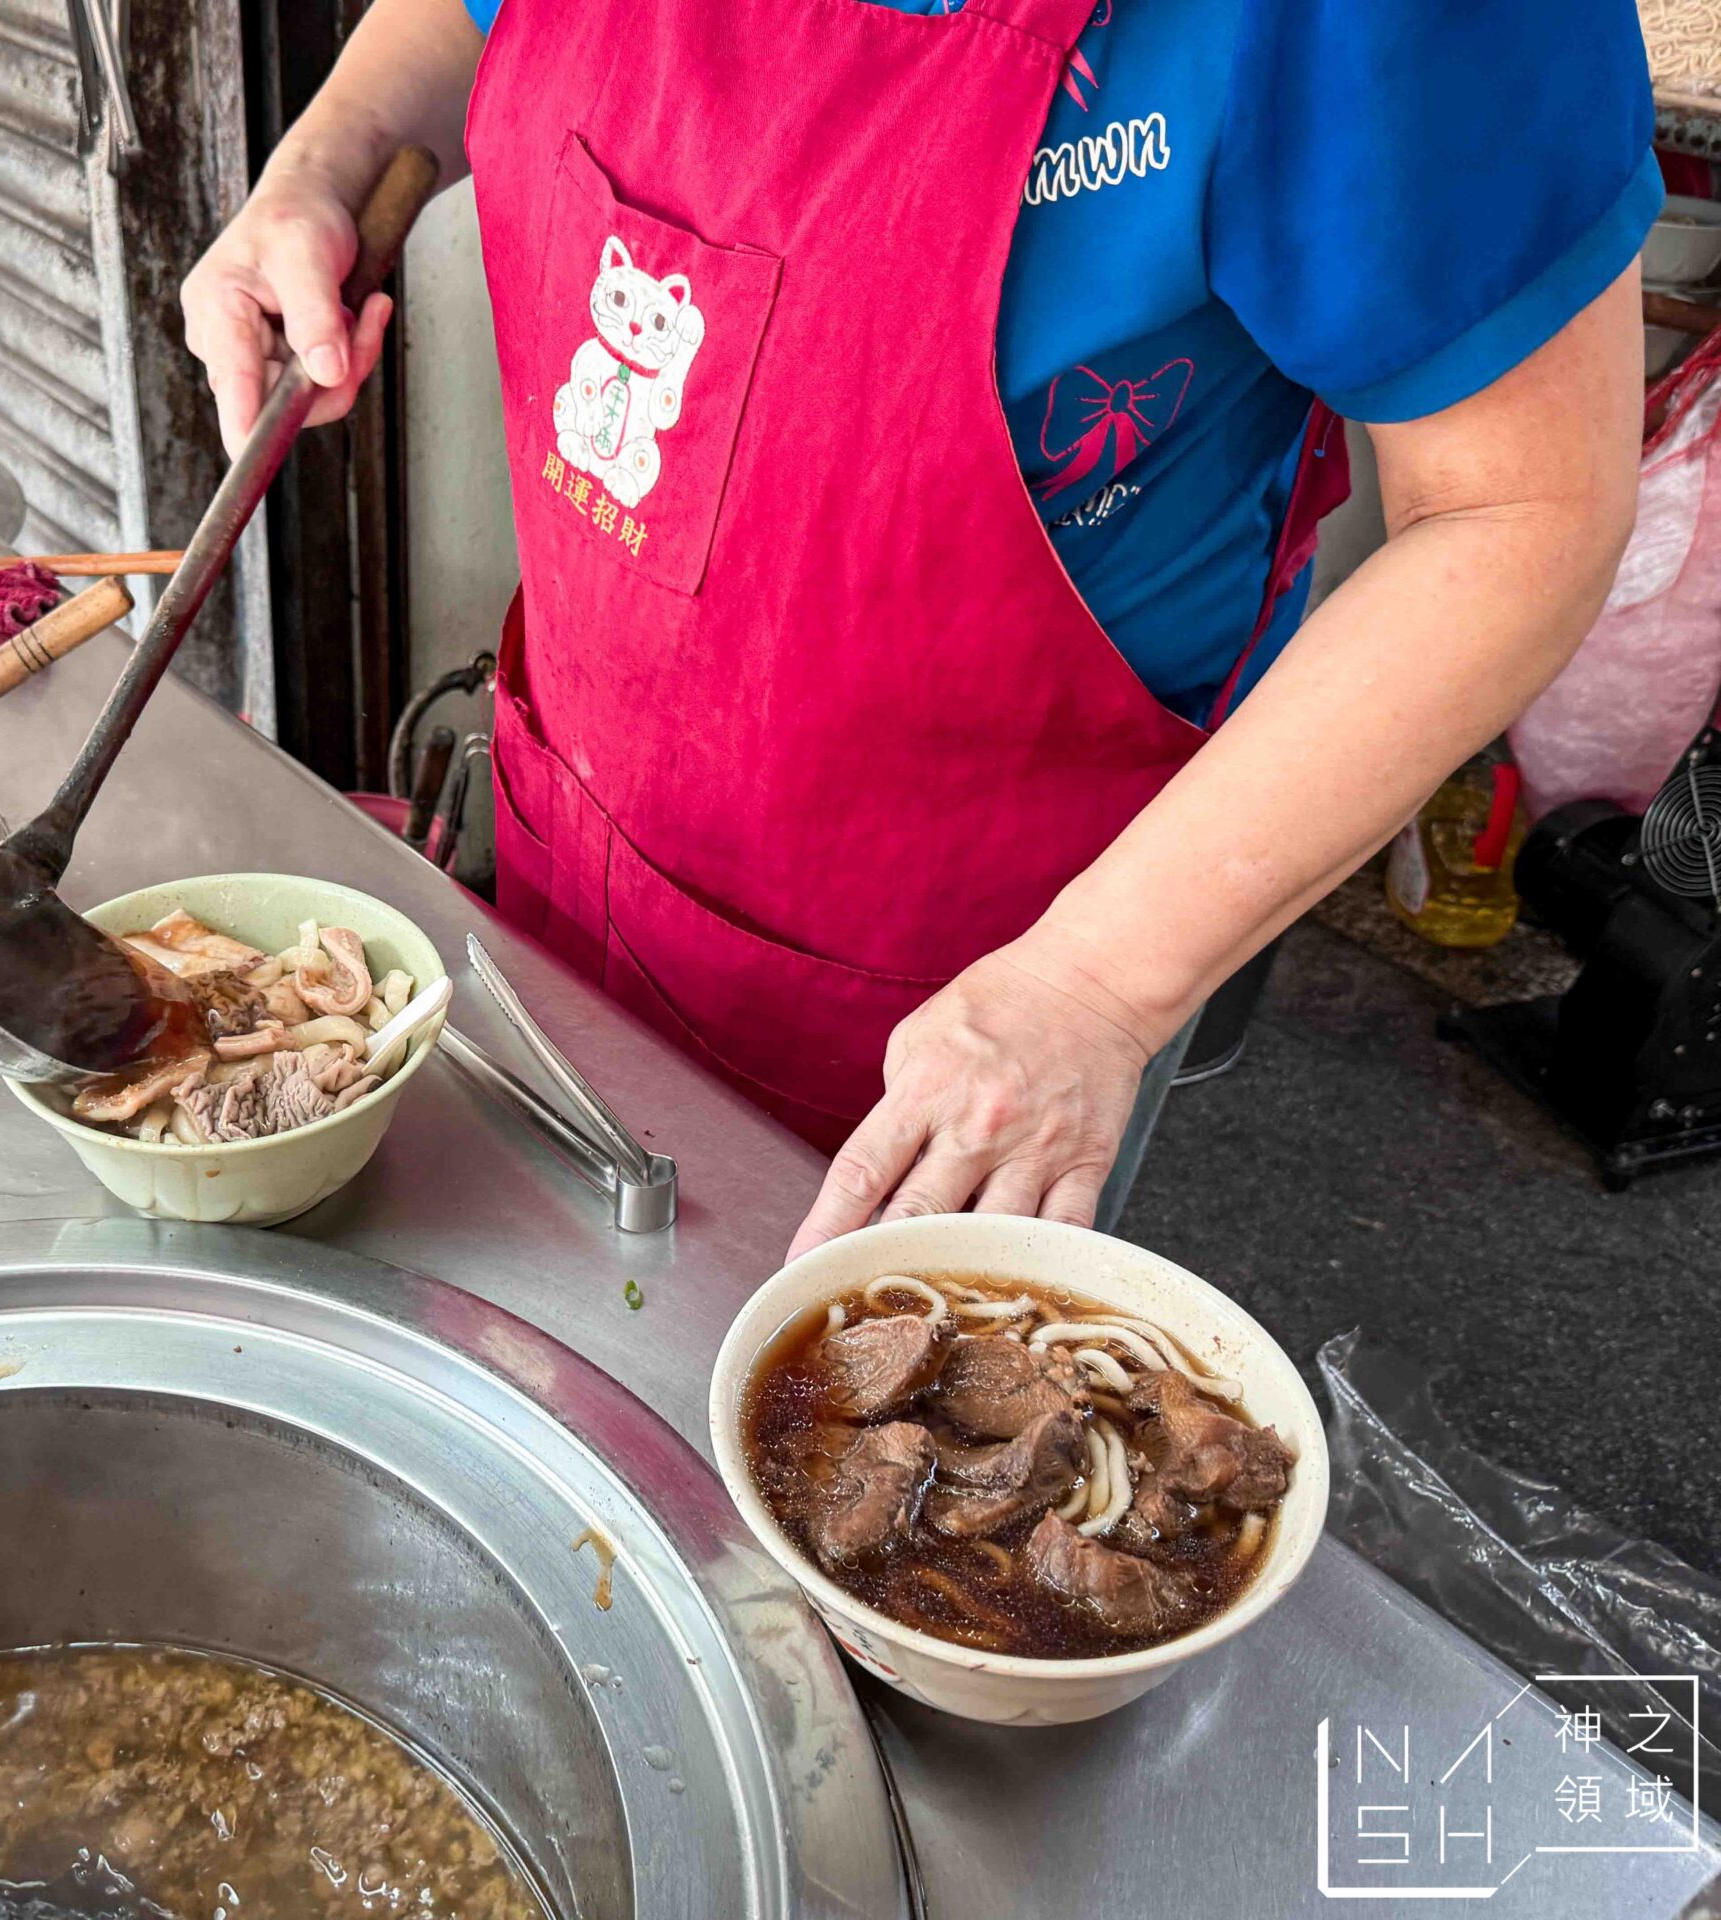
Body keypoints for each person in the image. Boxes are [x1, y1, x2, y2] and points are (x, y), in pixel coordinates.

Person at [181, 0, 1654, 1257]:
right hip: (581, 826)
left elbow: (1521, 514)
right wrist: (324, 164)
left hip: (996, 958)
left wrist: (1095, 985)